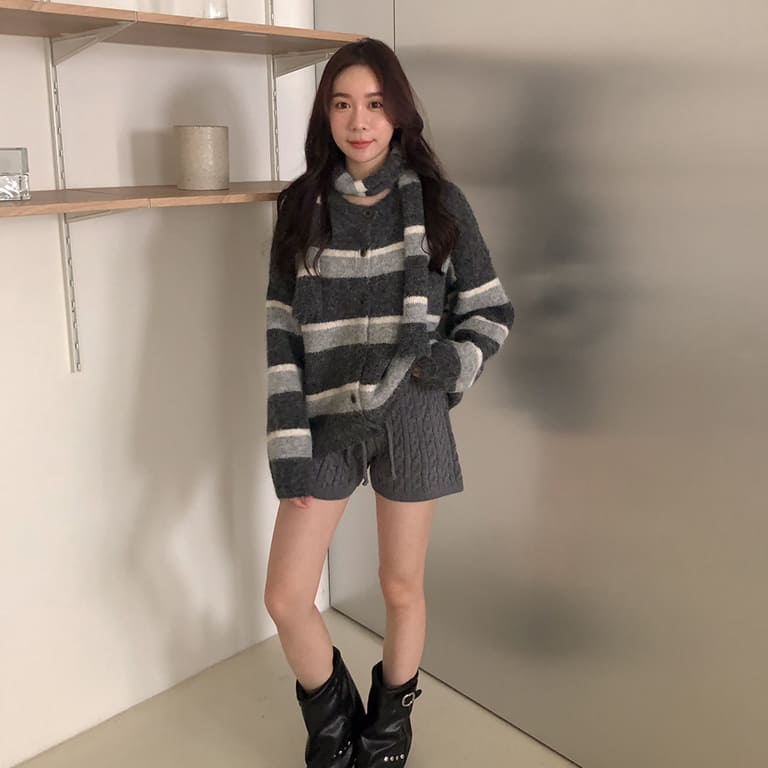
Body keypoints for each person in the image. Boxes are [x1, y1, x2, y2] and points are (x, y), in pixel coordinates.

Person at [263, 37, 514, 768]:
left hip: (413, 410)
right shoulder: (300, 207)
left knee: (400, 587)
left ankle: (389, 725)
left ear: (398, 112)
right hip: (324, 418)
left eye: (374, 104)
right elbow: (281, 334)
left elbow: (490, 309)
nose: (359, 120)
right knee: (286, 596)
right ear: (326, 115)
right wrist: (288, 446)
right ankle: (333, 722)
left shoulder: (439, 203)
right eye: (343, 104)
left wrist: (449, 362)